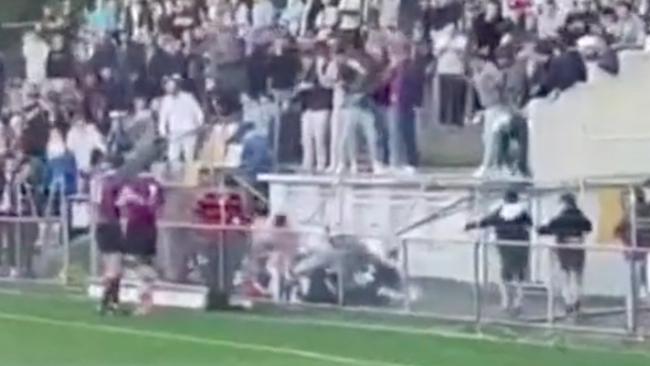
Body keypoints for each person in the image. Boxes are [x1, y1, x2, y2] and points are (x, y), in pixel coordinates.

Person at [465, 190, 532, 313]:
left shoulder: (501, 212)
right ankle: (518, 301)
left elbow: (485, 221)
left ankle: (506, 301)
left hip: (505, 247)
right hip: (521, 247)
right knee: (519, 275)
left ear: (505, 199)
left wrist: (470, 225)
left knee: (505, 275)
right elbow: (530, 225)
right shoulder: (523, 213)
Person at [116, 171, 164, 315]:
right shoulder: (156, 186)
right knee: (144, 263)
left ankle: (145, 302)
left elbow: (119, 204)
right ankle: (146, 301)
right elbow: (157, 206)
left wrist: (133, 201)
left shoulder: (132, 187)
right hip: (150, 229)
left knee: (139, 265)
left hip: (137, 229)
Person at [538, 193, 593, 315]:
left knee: (566, 275)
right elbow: (589, 228)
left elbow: (543, 230)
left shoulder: (560, 218)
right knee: (577, 275)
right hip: (578, 246)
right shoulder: (581, 217)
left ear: (564, 203)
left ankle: (569, 302)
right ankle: (577, 299)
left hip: (563, 247)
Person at [91, 154, 125, 315]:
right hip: (113, 224)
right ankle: (107, 302)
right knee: (115, 268)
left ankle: (113, 302)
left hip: (100, 225)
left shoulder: (97, 181)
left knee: (108, 267)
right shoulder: (115, 183)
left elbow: (94, 205)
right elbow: (120, 205)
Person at [158, 76, 205, 164]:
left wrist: (200, 124)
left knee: (189, 157)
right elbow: (163, 118)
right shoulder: (166, 100)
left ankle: (190, 175)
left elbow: (198, 112)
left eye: (172, 87)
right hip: (174, 133)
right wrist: (163, 133)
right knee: (173, 157)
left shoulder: (188, 97)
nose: (170, 90)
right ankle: (175, 175)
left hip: (189, 131)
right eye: (168, 88)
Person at [616, 187, 650, 302]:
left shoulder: (631, 210)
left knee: (636, 271)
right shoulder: (647, 208)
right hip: (645, 245)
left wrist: (622, 236)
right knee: (644, 268)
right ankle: (644, 292)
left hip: (636, 245)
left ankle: (638, 294)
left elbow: (620, 227)